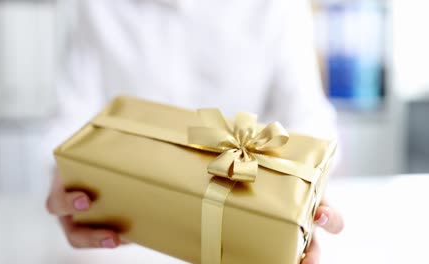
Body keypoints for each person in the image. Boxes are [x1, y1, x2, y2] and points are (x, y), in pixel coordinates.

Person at [45, 0, 344, 263]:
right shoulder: (95, 6)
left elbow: (309, 118)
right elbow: (72, 118)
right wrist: (65, 173)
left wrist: (304, 201)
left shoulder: (278, 5)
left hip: (242, 235)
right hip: (120, 240)